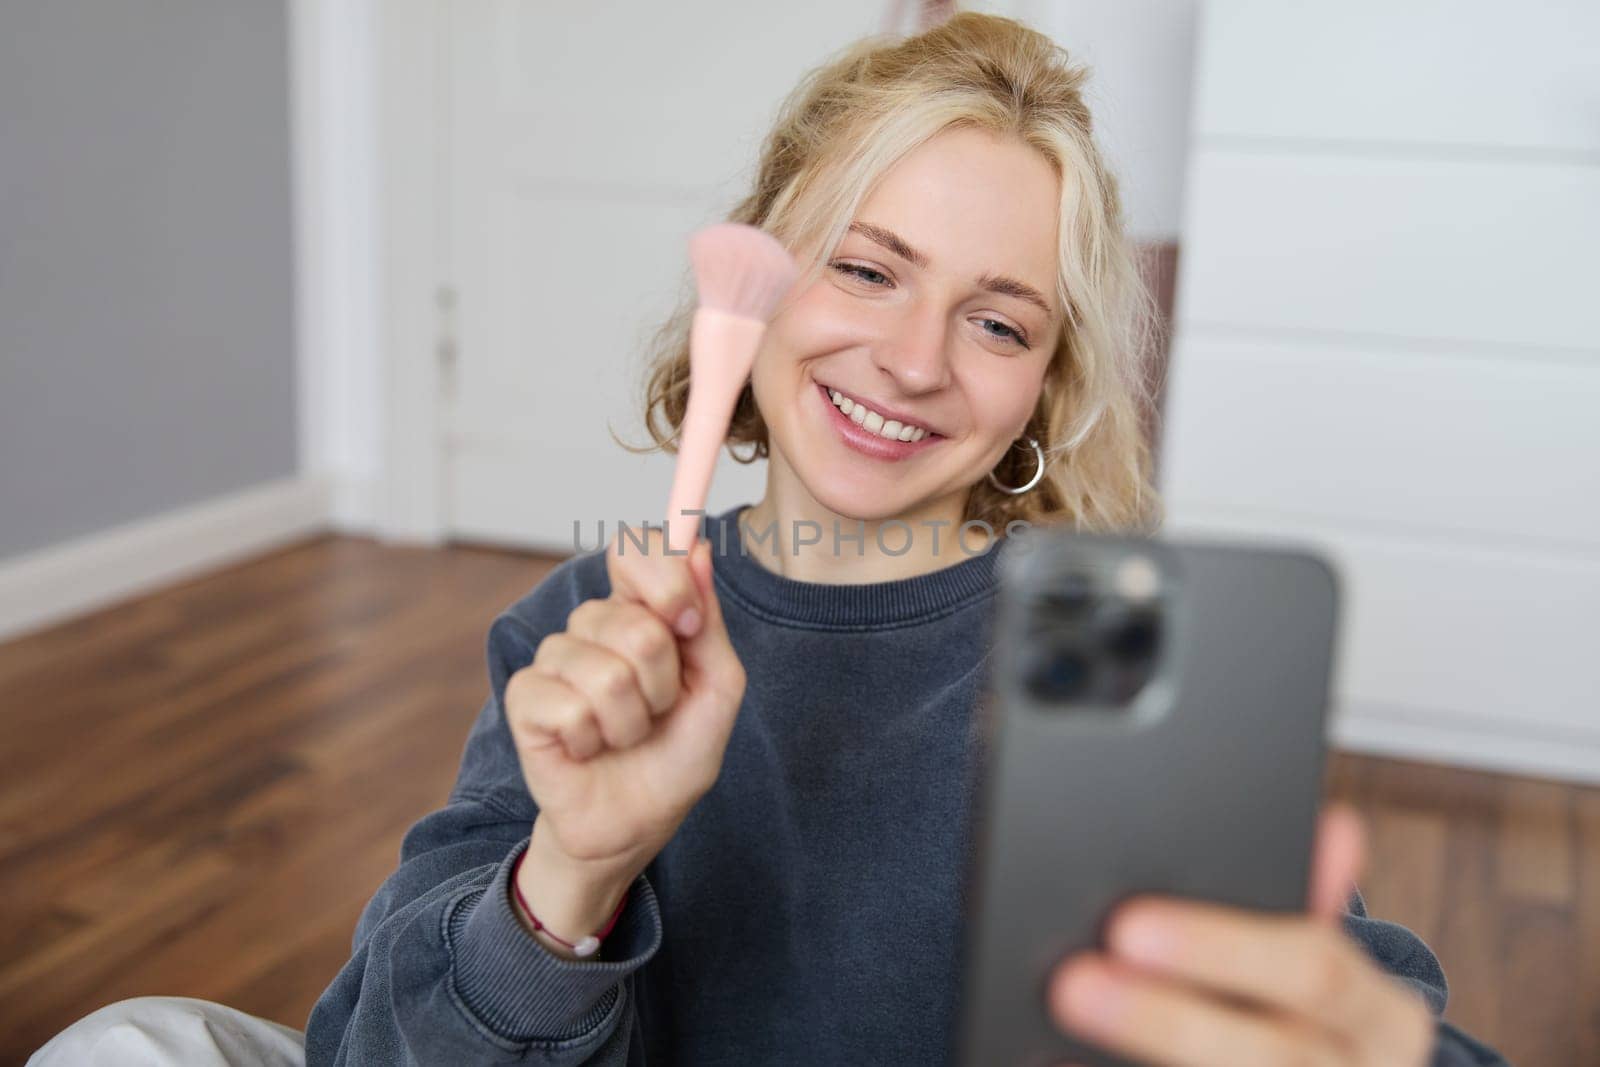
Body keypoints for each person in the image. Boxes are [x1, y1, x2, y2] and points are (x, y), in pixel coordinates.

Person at [31, 13, 1508, 1067]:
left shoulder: (1112, 653)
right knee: (130, 1046)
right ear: (769, 277)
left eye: (997, 320)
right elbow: (386, 1053)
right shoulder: (582, 628)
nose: (914, 359)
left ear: (1043, 395)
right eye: (868, 269)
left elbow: (1330, 988)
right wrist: (569, 879)